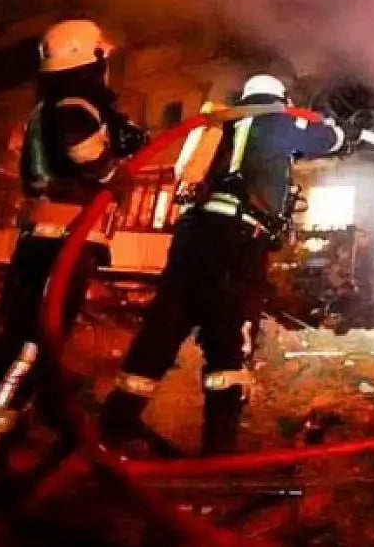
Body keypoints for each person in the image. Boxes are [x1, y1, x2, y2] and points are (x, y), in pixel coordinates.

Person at [99, 73, 360, 455]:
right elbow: (329, 140)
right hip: (237, 243)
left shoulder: (222, 125)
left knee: (164, 329)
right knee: (229, 345)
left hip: (192, 235)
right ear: (280, 100)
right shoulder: (277, 121)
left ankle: (115, 425)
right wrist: (340, 128)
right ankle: (218, 453)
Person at [0, 18, 147, 479]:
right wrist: (111, 173)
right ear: (92, 59)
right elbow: (80, 145)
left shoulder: (61, 103)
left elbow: (100, 137)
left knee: (35, 342)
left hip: (51, 240)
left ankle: (21, 428)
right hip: (61, 242)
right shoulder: (73, 104)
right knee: (30, 345)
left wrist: (121, 135)